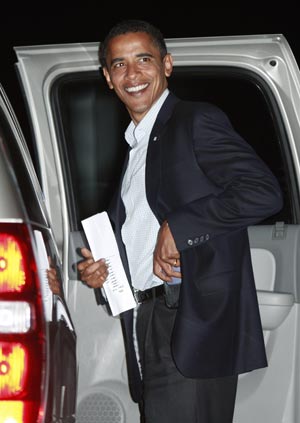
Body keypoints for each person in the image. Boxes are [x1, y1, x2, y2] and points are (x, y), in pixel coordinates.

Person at [77, 19, 283, 423]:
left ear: (167, 65)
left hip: (189, 320)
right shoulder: (135, 148)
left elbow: (263, 191)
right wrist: (105, 272)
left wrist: (181, 227)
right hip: (147, 319)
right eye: (119, 65)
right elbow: (142, 236)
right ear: (107, 77)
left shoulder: (194, 121)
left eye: (143, 60)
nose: (132, 74)